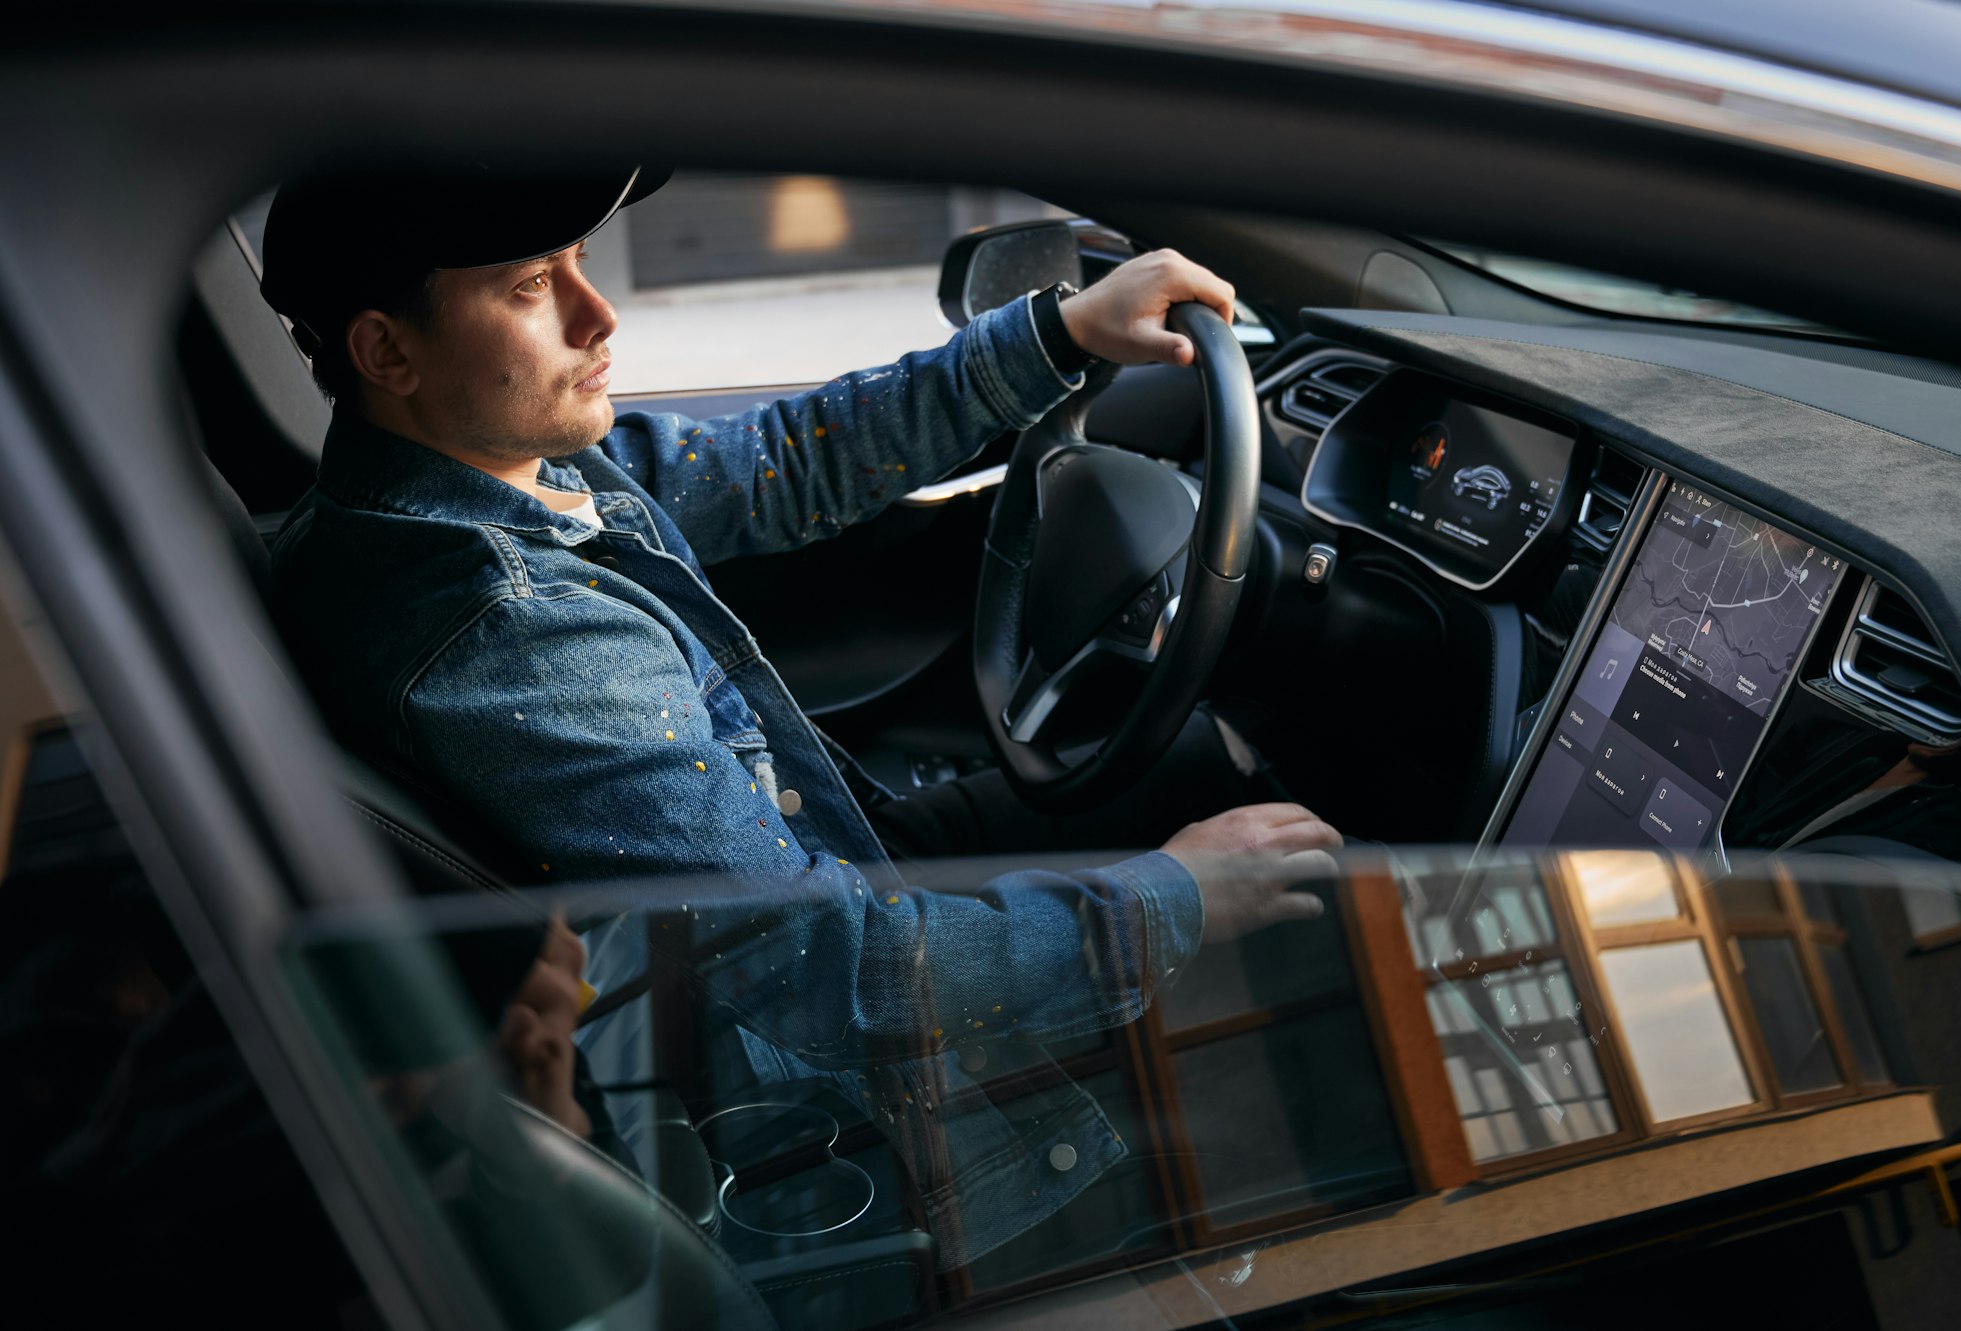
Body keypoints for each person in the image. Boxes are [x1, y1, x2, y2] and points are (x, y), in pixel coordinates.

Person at [259, 164, 1343, 1265]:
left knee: (1208, 770)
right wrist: (1175, 899)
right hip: (866, 1131)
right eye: (536, 286)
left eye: (583, 264)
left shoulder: (489, 474)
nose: (600, 315)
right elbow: (839, 975)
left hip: (822, 873)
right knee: (1307, 1031)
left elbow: (776, 464)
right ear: (387, 352)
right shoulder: (514, 635)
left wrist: (1057, 333)